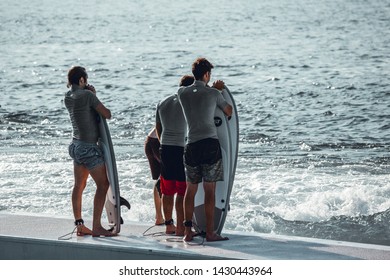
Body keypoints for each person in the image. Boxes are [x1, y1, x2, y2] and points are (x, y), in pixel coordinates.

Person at [177, 58, 232, 242]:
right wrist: (220, 90)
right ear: (207, 74)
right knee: (210, 190)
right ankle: (210, 233)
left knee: (190, 190)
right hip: (209, 145)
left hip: (191, 145)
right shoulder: (213, 94)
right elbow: (228, 111)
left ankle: (187, 232)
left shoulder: (182, 93)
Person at [64, 66, 116, 237]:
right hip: (88, 148)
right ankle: (97, 226)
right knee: (103, 185)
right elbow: (107, 114)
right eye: (85, 79)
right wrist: (94, 95)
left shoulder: (68, 96)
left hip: (76, 145)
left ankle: (79, 225)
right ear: (81, 80)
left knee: (79, 185)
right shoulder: (87, 96)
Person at [156, 75, 195, 236]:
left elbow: (158, 128)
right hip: (180, 148)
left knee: (167, 189)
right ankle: (180, 227)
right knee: (181, 190)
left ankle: (168, 225)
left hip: (165, 148)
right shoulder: (188, 102)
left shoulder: (163, 102)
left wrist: (163, 144)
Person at [144, 127, 165, 225]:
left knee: (160, 180)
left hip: (149, 140)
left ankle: (159, 216)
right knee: (165, 178)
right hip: (158, 141)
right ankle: (162, 217)